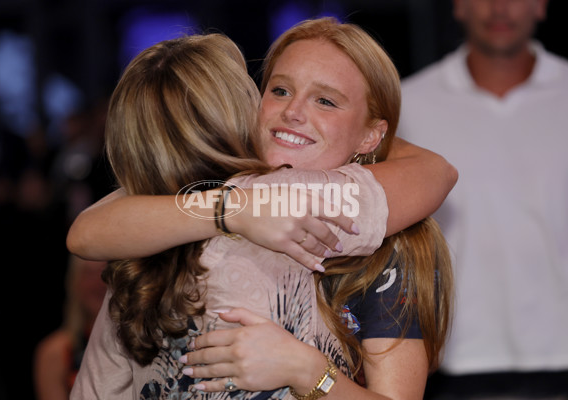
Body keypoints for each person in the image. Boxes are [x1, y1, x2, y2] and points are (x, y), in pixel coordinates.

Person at [69, 19, 455, 399]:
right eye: (281, 90)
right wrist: (231, 209)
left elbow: (439, 171)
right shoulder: (185, 202)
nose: (293, 112)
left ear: (372, 133)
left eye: (325, 100)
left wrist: (307, 372)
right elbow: (87, 233)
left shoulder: (377, 228)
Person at [397, 1, 568, 398]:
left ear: (542, 6)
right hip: (452, 355)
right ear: (457, 6)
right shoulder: (409, 104)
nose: (500, 7)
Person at [33, 255, 107, 399]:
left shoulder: (136, 344)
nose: (99, 283)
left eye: (104, 273)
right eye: (89, 274)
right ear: (74, 282)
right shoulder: (56, 352)